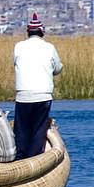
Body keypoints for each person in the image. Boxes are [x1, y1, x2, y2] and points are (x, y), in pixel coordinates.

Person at [13, 12, 63, 159]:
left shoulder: (19, 47)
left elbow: (16, 63)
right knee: (38, 128)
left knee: (22, 129)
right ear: (42, 32)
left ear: (28, 32)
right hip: (42, 95)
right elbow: (58, 68)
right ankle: (35, 158)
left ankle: (20, 157)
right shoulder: (49, 48)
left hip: (23, 95)